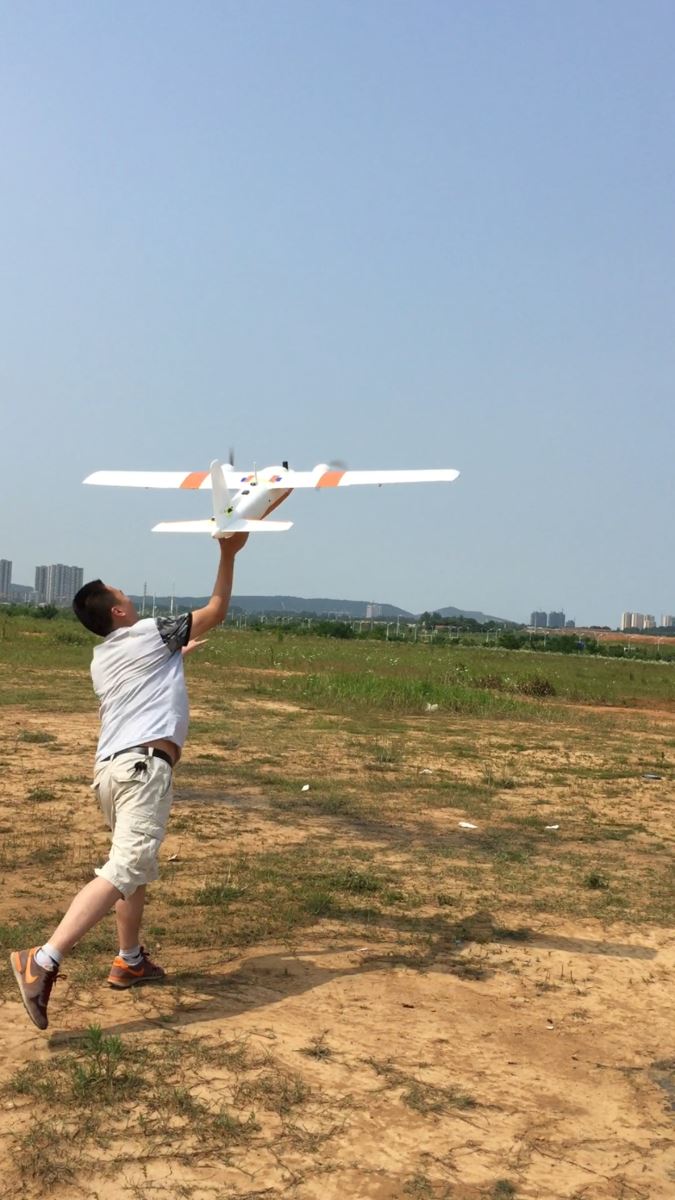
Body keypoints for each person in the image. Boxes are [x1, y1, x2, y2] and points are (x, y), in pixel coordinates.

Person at [10, 533, 247, 1030]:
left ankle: (130, 959)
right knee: (126, 866)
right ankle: (43, 959)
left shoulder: (104, 658)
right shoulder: (148, 633)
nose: (129, 596)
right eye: (122, 594)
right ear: (117, 611)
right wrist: (228, 553)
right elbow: (217, 609)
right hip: (142, 770)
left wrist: (175, 655)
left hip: (111, 773)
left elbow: (142, 679)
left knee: (133, 869)